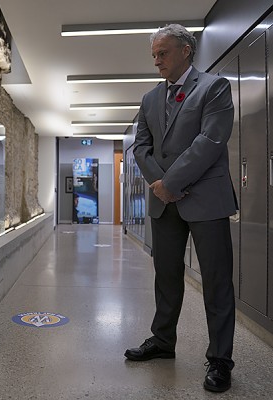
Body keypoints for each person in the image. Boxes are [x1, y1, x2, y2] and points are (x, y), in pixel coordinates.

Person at [125, 24, 237, 393]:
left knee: (216, 282)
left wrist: (170, 183)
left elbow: (211, 140)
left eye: (163, 53)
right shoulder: (149, 99)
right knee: (166, 276)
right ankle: (162, 341)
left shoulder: (214, 87)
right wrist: (161, 186)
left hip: (205, 200)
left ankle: (220, 359)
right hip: (164, 204)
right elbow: (141, 147)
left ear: (186, 50)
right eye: (154, 54)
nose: (157, 60)